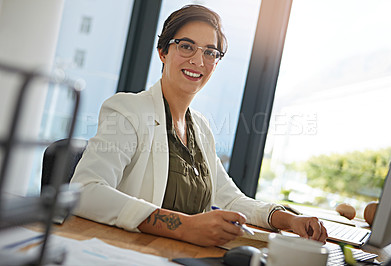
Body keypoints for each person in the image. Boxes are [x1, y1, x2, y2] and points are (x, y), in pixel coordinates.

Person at [70, 4, 327, 247]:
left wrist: (289, 220)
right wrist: (184, 226)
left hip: (187, 256)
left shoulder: (201, 128)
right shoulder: (128, 110)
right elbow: (85, 191)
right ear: (163, 52)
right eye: (186, 46)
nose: (198, 61)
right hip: (133, 252)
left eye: (209, 52)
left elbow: (231, 199)